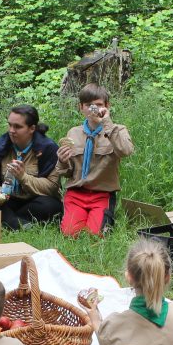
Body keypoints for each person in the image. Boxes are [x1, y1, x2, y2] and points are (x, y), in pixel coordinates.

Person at [57, 84, 134, 236]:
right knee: (70, 234)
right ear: (81, 107)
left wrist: (107, 123)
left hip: (102, 193)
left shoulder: (118, 130)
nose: (93, 109)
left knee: (96, 235)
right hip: (77, 193)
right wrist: (62, 160)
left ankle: (102, 218)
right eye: (88, 105)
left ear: (107, 106)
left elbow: (125, 151)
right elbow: (68, 173)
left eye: (98, 105)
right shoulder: (73, 133)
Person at [0, 105, 64, 229]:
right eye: (10, 125)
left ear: (32, 128)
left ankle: (7, 221)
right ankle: (20, 224)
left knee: (51, 206)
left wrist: (23, 177)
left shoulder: (48, 149)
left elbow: (52, 187)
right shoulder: (0, 146)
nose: (11, 130)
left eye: (17, 127)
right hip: (7, 200)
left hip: (33, 200)